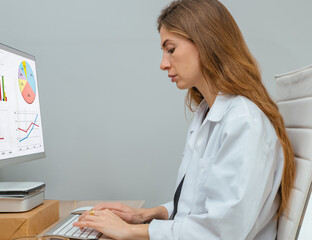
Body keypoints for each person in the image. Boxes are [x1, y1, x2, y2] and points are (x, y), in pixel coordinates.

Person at [73, 0, 296, 239]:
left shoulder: (244, 122)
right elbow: (195, 207)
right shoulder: (208, 113)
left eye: (171, 49)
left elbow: (222, 231)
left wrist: (130, 231)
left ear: (206, 42)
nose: (163, 64)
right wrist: (145, 215)